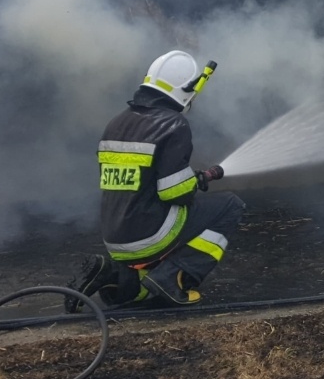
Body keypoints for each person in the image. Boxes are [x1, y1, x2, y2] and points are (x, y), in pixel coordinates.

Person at [66, 50, 244, 312]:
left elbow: (140, 179)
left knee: (138, 294)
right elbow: (175, 193)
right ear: (185, 89)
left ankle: (114, 275)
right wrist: (196, 181)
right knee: (230, 205)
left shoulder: (117, 123)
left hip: (115, 238)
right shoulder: (173, 124)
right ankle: (174, 277)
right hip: (150, 235)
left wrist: (188, 179)